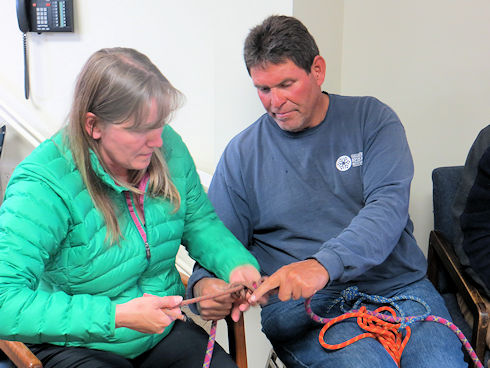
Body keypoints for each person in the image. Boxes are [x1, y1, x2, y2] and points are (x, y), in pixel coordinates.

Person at [187, 15, 467, 367]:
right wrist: (202, 287)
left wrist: (322, 265)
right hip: (303, 306)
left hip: (398, 288)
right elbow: (216, 241)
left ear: (317, 70)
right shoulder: (243, 154)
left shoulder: (373, 120)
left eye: (286, 84)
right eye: (263, 89)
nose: (275, 102)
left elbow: (387, 210)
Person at [0, 47, 261, 368]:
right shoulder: (42, 185)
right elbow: (4, 302)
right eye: (139, 129)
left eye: (159, 124)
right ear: (93, 126)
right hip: (78, 343)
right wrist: (117, 316)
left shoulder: (166, 145)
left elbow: (200, 222)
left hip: (159, 332)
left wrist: (236, 265)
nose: (157, 141)